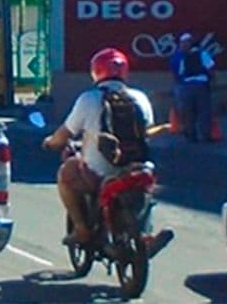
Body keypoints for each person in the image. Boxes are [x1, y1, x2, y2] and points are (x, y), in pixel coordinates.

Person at [42, 48, 171, 254]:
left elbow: (64, 134)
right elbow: (146, 132)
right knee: (145, 192)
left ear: (96, 71)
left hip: (100, 173)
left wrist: (50, 142)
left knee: (65, 173)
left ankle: (82, 229)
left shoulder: (88, 98)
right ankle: (146, 235)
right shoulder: (140, 98)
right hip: (137, 167)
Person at [174, 35, 216, 142]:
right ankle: (205, 135)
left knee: (189, 111)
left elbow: (181, 73)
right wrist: (212, 80)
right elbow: (210, 67)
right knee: (204, 110)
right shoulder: (202, 54)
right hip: (201, 84)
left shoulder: (185, 57)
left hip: (187, 86)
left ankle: (191, 134)